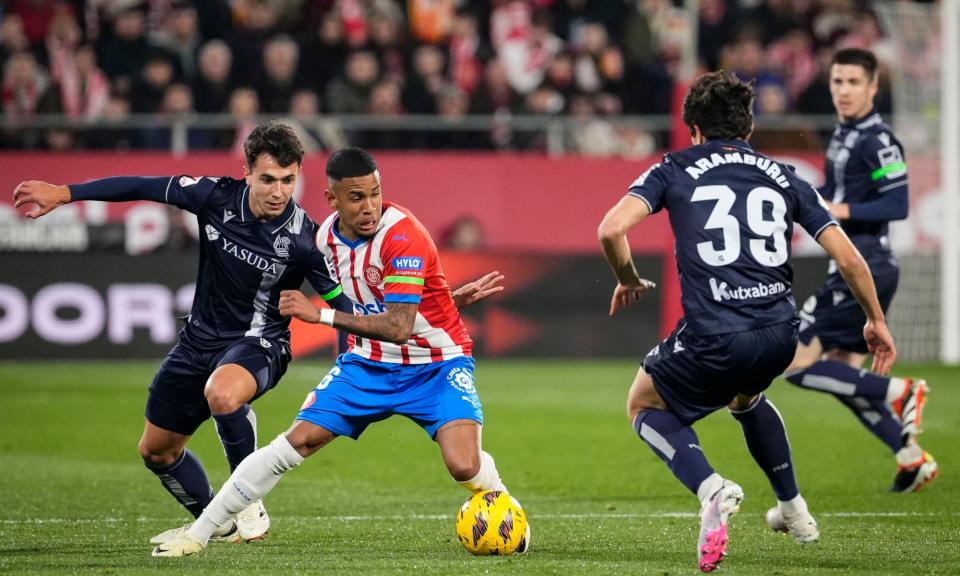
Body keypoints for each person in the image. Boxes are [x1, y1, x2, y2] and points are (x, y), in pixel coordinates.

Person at [12, 124, 502, 548]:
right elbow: (142, 184)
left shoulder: (308, 240)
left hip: (260, 343)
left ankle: (249, 506)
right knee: (156, 451)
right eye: (268, 179)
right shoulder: (213, 197)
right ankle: (217, 519)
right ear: (247, 172)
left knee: (223, 394)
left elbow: (353, 309)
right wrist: (67, 193)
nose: (277, 191)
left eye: (288, 181)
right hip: (196, 341)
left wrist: (429, 310)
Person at [150, 147, 527, 558]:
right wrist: (447, 299)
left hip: (435, 365)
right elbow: (378, 304)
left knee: (464, 467)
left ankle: (506, 509)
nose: (369, 207)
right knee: (293, 445)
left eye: (375, 194)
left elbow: (399, 327)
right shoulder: (325, 237)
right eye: (356, 197)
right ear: (332, 200)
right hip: (367, 363)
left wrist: (320, 317)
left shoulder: (403, 235)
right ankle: (198, 535)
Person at [597, 71, 896, 573]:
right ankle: (794, 510)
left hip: (716, 333)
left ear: (691, 127)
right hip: (781, 334)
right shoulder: (784, 176)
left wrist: (627, 276)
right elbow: (849, 259)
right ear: (749, 126)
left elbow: (611, 230)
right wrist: (875, 320)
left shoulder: (674, 166)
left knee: (643, 403)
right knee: (746, 396)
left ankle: (711, 488)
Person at [780, 48, 938, 494]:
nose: (844, 90)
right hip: (854, 264)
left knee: (794, 365)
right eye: (837, 81)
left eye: (853, 82)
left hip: (865, 264)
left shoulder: (879, 140)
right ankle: (910, 456)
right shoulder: (842, 134)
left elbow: (897, 203)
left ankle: (902, 391)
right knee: (844, 375)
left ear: (873, 87)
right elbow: (832, 192)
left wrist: (837, 208)